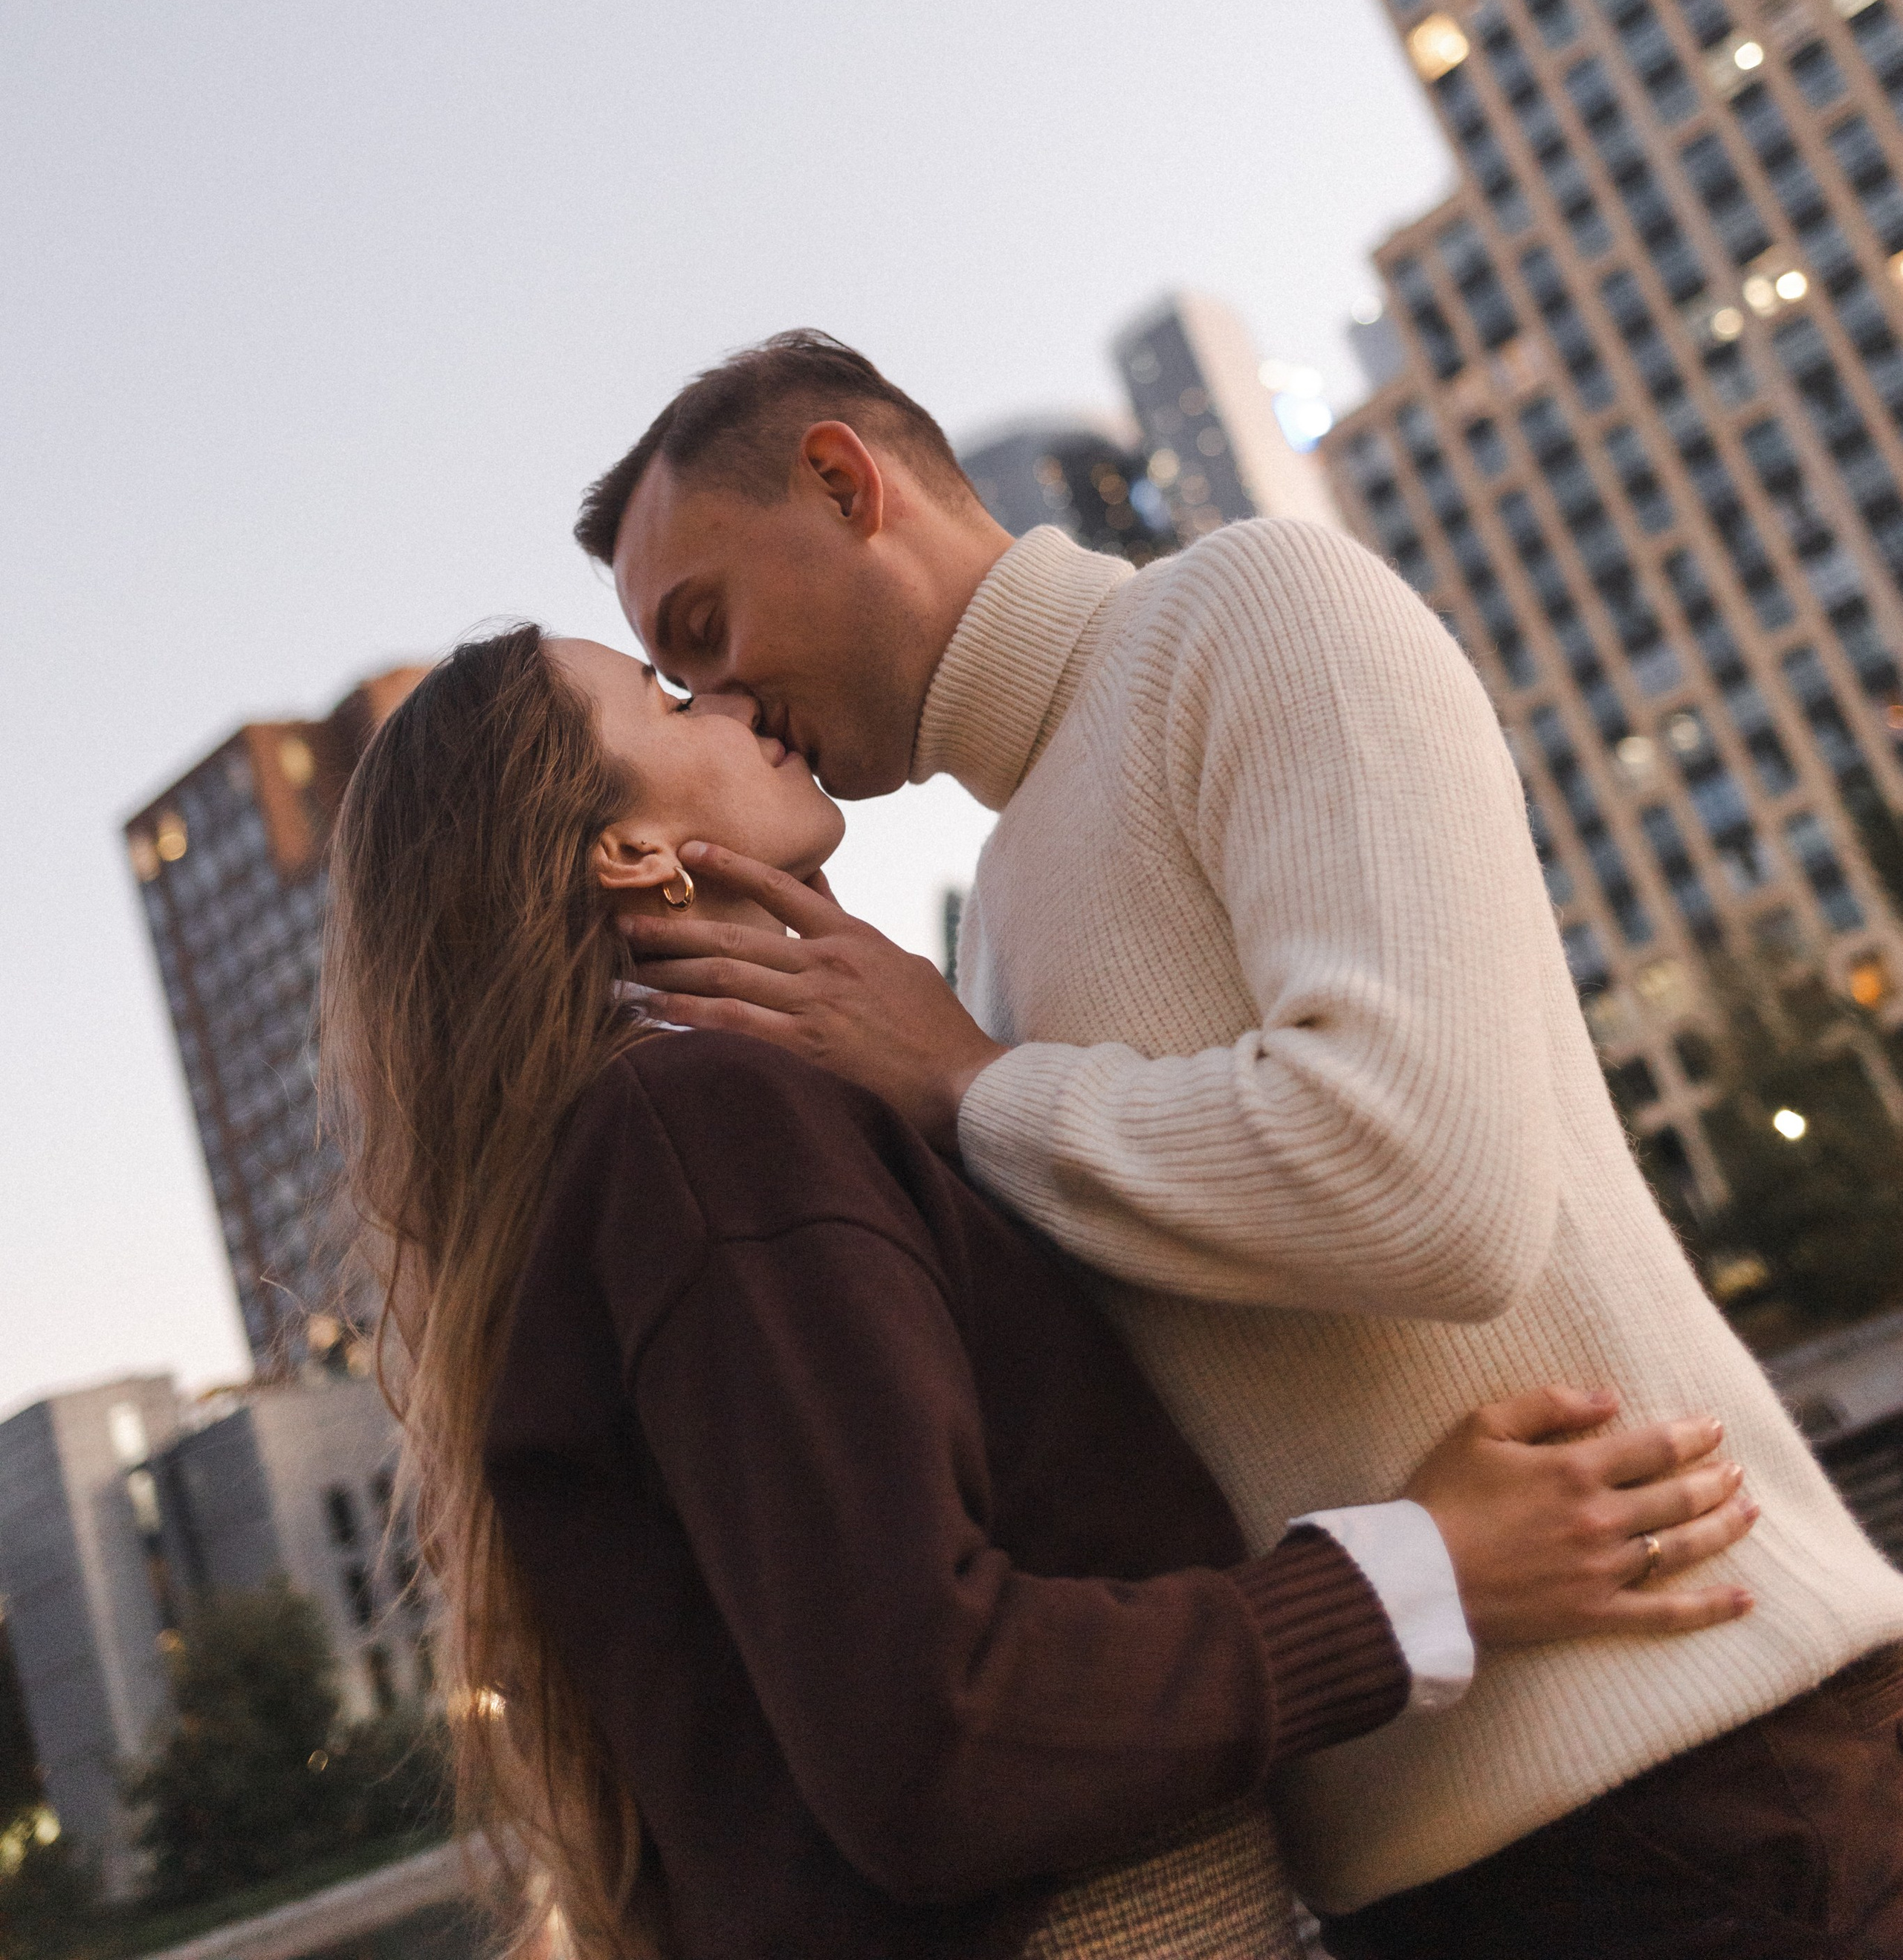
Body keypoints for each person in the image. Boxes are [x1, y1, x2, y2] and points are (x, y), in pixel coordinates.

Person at [589, 328, 1903, 1960]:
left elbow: (1429, 1183)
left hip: (1705, 1785)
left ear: (846, 483)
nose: (717, 702)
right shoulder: (989, 927)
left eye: (700, 631)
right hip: (1410, 1882)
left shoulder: (1252, 607)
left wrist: (971, 1089)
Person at [322, 623, 1755, 1960]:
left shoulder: (658, 1146)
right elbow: (933, 1735)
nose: (736, 699)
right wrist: (1424, 1574)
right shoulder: (698, 1131)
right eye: (665, 693)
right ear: (628, 851)